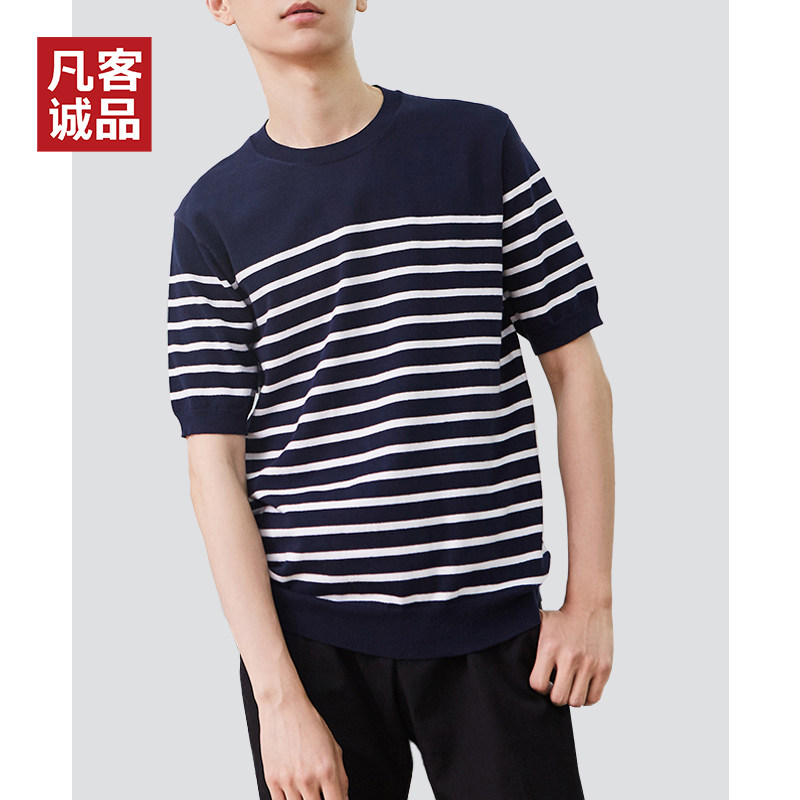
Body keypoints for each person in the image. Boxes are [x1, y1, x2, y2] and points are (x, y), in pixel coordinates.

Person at [166, 1, 615, 798]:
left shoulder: (477, 145)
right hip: (312, 652)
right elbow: (214, 467)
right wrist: (278, 700)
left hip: (495, 633)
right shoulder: (213, 216)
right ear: (219, 5)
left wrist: (590, 601)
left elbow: (576, 372)